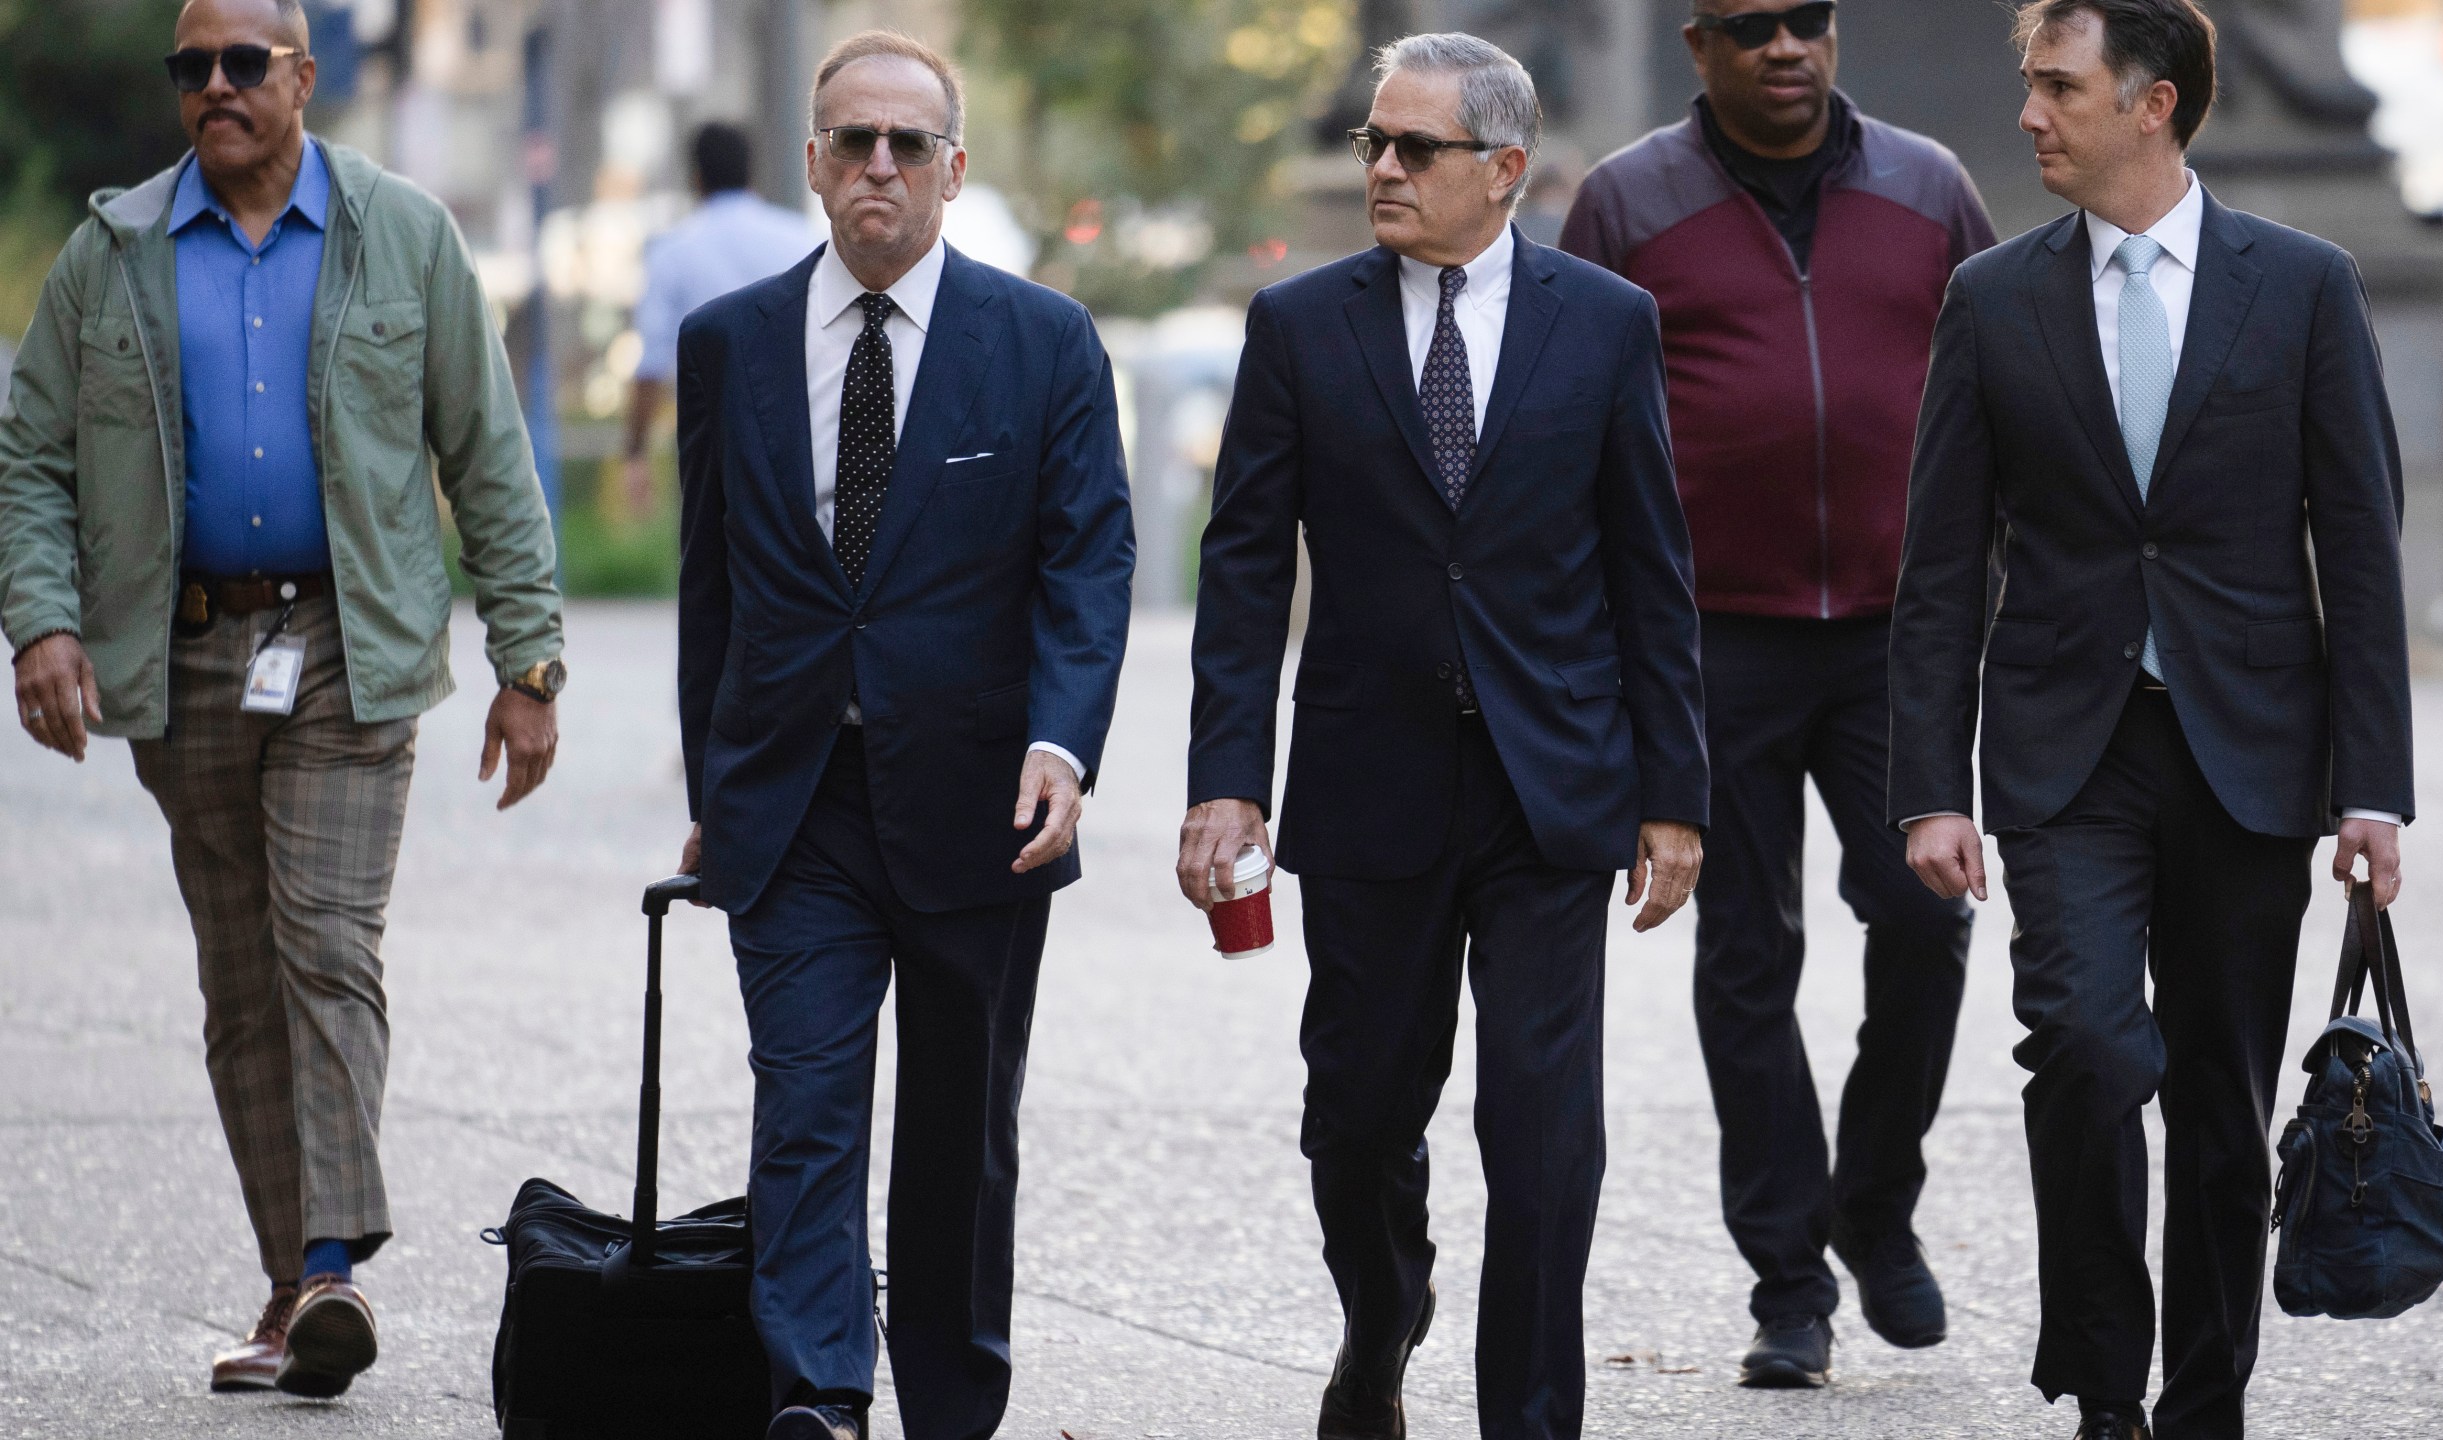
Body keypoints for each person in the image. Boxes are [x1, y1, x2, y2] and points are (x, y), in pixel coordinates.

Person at [0, 0, 564, 1402]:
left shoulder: (402, 236)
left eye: (244, 63)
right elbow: (29, 460)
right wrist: (43, 623)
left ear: (307, 78)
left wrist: (528, 661)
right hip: (180, 652)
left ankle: (331, 1265)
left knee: (324, 940)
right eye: (190, 67)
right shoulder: (111, 253)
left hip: (346, 644)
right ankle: (292, 1290)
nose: (215, 88)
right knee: (240, 980)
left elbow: (484, 449)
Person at [1888, 3, 2412, 1437]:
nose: (2031, 114)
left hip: (2252, 751)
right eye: (2029, 84)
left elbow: (2359, 549)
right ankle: (2106, 1384)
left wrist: (2375, 787)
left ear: (2153, 104)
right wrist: (1931, 786)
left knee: (2223, 1109)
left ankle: (2206, 1401)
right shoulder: (1993, 298)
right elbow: (1940, 567)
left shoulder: (2302, 284)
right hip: (2068, 748)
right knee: (2089, 1047)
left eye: (2060, 86)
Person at [1182, 34, 1710, 1440]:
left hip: (1552, 792)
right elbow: (1242, 570)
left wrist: (1675, 794)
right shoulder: (1300, 327)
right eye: (1373, 144)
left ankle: (1529, 1418)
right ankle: (1384, 1308)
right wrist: (1227, 782)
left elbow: (1650, 569)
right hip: (1369, 786)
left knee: (1541, 1139)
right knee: (1356, 1114)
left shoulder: (1604, 323)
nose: (1385, 170)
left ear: (1505, 171)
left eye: (1416, 148)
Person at [673, 30, 1133, 1440]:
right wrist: (720, 781)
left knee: (955, 1133)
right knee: (805, 1107)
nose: (880, 166)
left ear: (952, 171)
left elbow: (1088, 564)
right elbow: (712, 583)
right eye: (853, 142)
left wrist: (1063, 745)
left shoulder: (1042, 342)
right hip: (798, 802)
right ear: (812, 163)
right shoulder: (729, 343)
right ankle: (820, 1390)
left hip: (982, 803)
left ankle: (949, 1401)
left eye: (908, 145)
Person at [1560, 0, 1995, 1388]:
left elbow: (2003, 381)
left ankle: (1874, 1200)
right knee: (1746, 959)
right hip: (1708, 641)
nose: (1786, 48)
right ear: (1699, 47)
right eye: (1751, 27)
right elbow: (1569, 415)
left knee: (1926, 922)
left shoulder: (1931, 187)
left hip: (1894, 633)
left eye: (1808, 19)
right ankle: (1789, 1282)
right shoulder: (1628, 202)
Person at [621, 121, 821, 517]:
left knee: (710, 567)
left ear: (695, 176)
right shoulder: (803, 239)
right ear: (751, 172)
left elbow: (652, 364)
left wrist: (636, 452)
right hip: (804, 440)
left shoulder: (671, 253)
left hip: (711, 446)